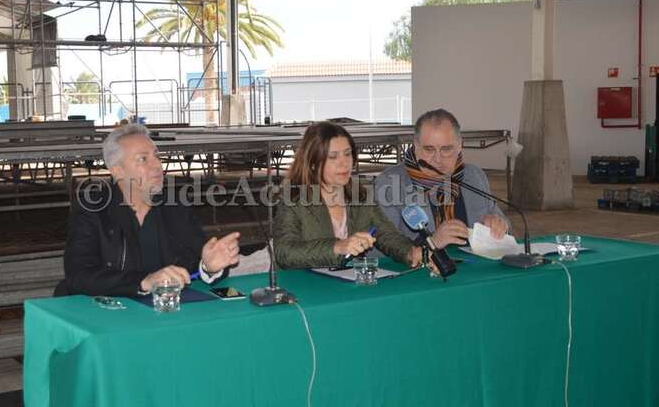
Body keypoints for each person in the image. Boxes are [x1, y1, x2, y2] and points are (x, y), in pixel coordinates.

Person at [56, 123, 240, 297]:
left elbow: (197, 261)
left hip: (163, 308)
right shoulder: (93, 210)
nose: (157, 165)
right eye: (143, 159)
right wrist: (143, 282)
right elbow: (79, 275)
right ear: (118, 171)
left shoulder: (174, 207)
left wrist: (208, 267)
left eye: (156, 156)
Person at [273, 121, 417, 269]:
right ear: (313, 163)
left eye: (348, 154)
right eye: (333, 157)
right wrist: (338, 247)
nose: (344, 163)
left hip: (348, 279)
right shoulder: (292, 199)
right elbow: (284, 253)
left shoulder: (360, 196)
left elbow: (386, 234)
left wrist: (410, 252)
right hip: (300, 281)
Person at [375, 109, 510, 251]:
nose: (437, 159)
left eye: (446, 149)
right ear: (415, 146)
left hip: (474, 264)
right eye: (429, 149)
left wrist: (499, 226)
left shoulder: (474, 175)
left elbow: (506, 226)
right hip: (420, 265)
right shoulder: (390, 183)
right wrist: (431, 242)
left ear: (459, 145)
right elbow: (378, 247)